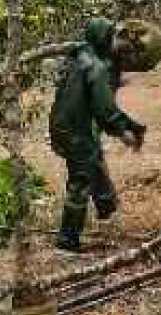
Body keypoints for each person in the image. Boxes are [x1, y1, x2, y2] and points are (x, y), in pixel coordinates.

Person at [49, 17, 145, 252]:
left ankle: (107, 209)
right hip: (76, 130)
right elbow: (105, 110)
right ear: (103, 39)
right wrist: (125, 130)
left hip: (62, 124)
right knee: (81, 180)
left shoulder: (77, 57)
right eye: (112, 37)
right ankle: (67, 240)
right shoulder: (96, 68)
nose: (115, 42)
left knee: (93, 159)